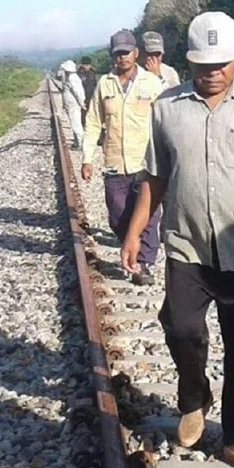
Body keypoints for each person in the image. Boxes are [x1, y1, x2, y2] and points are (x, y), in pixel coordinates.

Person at [122, 12, 234, 468]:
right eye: (201, 64)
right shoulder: (167, 109)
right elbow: (155, 178)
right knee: (180, 326)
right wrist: (136, 232)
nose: (212, 73)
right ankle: (193, 396)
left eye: (222, 63)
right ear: (187, 61)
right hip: (187, 248)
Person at [82, 29, 165, 285]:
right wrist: (87, 158)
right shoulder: (104, 85)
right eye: (117, 54)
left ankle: (143, 263)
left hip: (146, 163)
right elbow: (93, 122)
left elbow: (164, 120)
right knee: (118, 216)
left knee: (149, 215)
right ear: (112, 56)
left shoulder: (151, 83)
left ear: (135, 53)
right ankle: (131, 241)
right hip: (115, 164)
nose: (122, 58)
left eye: (126, 53)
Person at [60, 59, 86, 149]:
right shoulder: (69, 77)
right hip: (70, 104)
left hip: (73, 104)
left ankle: (81, 143)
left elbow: (78, 92)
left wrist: (81, 102)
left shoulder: (72, 78)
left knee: (76, 124)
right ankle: (77, 142)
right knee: (73, 123)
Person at [77, 55, 98, 125]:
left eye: (88, 65)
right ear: (82, 65)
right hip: (82, 96)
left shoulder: (92, 73)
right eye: (85, 65)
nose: (87, 66)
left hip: (91, 96)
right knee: (82, 113)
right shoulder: (78, 74)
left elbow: (95, 84)